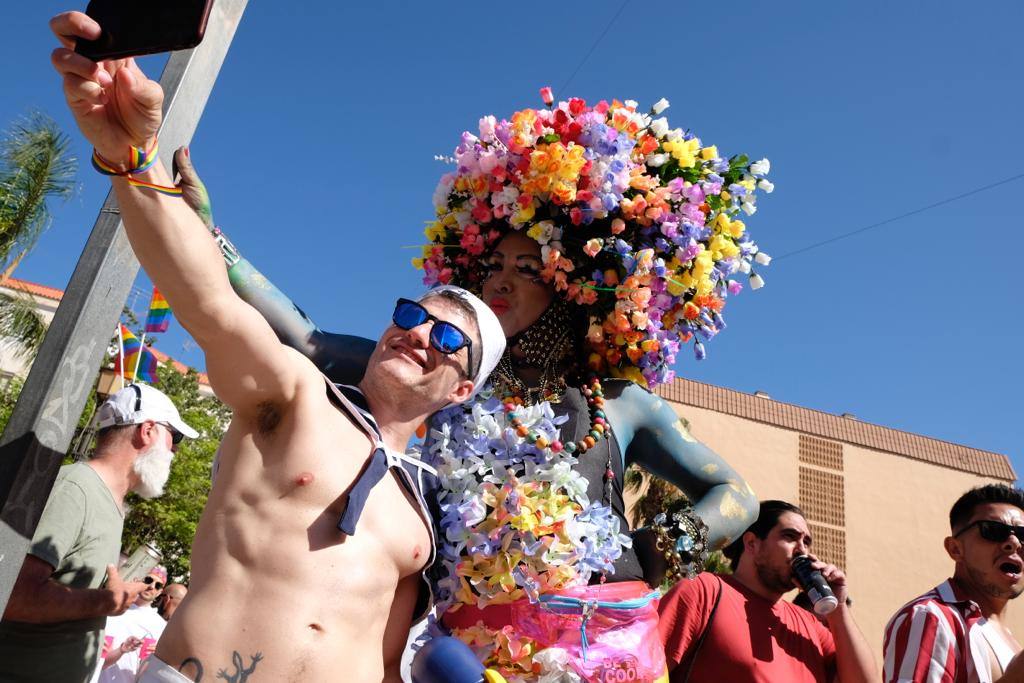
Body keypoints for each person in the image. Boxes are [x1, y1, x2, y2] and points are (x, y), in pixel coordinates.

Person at [172, 88, 777, 679]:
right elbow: (305, 339)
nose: (501, 281)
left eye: (526, 268)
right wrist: (208, 235)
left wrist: (661, 545)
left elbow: (737, 495)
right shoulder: (438, 375)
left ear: (571, 287)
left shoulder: (622, 403)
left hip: (606, 645)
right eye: (493, 267)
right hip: (471, 653)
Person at [48, 11, 505, 682]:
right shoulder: (297, 397)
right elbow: (205, 297)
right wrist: (131, 160)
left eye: (445, 336)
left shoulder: (424, 521)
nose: (415, 331)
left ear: (463, 388)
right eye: (410, 312)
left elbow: (384, 657)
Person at [0, 383, 197, 682]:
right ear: (147, 431)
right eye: (175, 437)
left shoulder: (110, 502)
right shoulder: (76, 489)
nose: (176, 450)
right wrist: (106, 602)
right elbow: (12, 594)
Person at [658, 500, 876, 683]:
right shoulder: (705, 591)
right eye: (790, 536)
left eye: (807, 542)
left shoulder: (810, 626)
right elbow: (643, 667)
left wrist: (838, 609)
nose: (802, 549)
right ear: (752, 543)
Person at [883, 484, 1024, 682]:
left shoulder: (1011, 642)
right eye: (993, 530)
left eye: (1023, 535)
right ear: (955, 549)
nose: (1014, 543)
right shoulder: (931, 617)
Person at [99, 565, 170, 682]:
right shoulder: (115, 605)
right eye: (148, 580)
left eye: (158, 586)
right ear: (138, 580)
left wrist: (156, 657)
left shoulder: (160, 626)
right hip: (92, 676)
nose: (152, 586)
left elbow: (151, 669)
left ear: (159, 592)